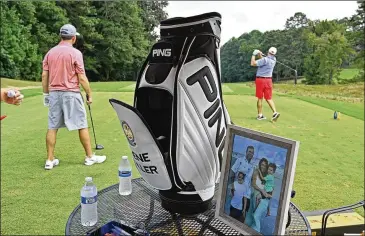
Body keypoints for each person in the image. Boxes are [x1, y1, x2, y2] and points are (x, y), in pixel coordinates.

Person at [42, 24, 106, 170]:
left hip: (54, 94)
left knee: (52, 127)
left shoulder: (50, 53)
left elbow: (45, 75)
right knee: (81, 124)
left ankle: (50, 160)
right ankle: (89, 157)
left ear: (60, 36)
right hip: (71, 93)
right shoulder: (75, 53)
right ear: (73, 38)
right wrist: (89, 93)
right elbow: (82, 77)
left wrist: (46, 94)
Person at [251, 47, 280, 122]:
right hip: (269, 81)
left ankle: (260, 115)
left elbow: (253, 63)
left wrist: (254, 54)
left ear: (268, 51)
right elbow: (263, 60)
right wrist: (260, 54)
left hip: (260, 80)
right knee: (268, 98)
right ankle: (275, 112)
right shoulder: (274, 60)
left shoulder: (265, 59)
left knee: (260, 98)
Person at [230, 146, 255, 217]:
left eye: (252, 152)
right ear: (246, 152)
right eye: (249, 151)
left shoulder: (252, 166)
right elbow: (232, 173)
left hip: (247, 195)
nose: (251, 153)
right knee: (233, 214)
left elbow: (251, 180)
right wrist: (232, 188)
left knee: (243, 216)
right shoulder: (239, 160)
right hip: (238, 193)